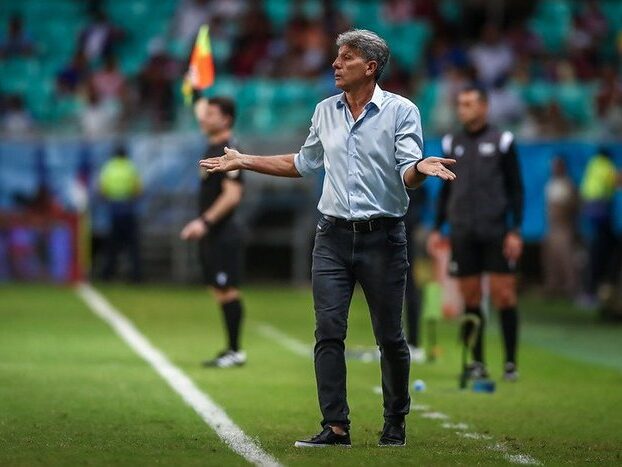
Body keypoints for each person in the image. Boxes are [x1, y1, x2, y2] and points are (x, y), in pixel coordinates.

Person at [200, 29, 455, 447]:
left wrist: (421, 168)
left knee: (390, 336)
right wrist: (244, 160)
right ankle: (335, 427)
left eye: (347, 58)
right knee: (328, 331)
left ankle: (395, 423)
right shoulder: (324, 111)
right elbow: (303, 163)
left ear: (370, 67)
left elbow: (408, 171)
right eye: (337, 57)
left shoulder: (401, 112)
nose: (335, 64)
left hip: (384, 237)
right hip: (332, 237)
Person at [429, 85, 524, 382]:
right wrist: (436, 227)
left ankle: (510, 362)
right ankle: (478, 361)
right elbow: (445, 191)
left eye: (469, 103)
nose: (463, 109)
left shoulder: (503, 141)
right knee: (470, 298)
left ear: (484, 107)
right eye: (460, 103)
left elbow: (515, 189)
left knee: (504, 295)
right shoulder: (451, 142)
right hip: (463, 231)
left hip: (496, 230)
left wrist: (515, 230)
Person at [180, 97, 247, 369]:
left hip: (222, 233)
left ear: (226, 120)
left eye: (211, 114)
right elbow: (200, 110)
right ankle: (232, 350)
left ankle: (235, 351)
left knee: (227, 290)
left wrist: (204, 222)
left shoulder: (229, 152)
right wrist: (197, 93)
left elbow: (232, 196)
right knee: (218, 289)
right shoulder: (212, 146)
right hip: (212, 234)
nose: (203, 118)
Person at [579, 148, 619, 306]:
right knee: (604, 244)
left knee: (598, 244)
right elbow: (616, 181)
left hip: (589, 208)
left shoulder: (592, 164)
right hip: (600, 207)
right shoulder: (606, 166)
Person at [99, 145, 142, 282]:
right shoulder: (130, 167)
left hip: (114, 209)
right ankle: (135, 275)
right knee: (132, 246)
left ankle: (107, 274)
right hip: (128, 209)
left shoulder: (109, 167)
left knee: (112, 246)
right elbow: (137, 189)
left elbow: (103, 189)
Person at [542, 156, 579, 297]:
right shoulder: (550, 184)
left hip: (564, 227)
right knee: (551, 259)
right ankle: (553, 288)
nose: (555, 168)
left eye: (558, 166)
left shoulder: (568, 184)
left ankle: (571, 289)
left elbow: (574, 205)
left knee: (567, 259)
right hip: (551, 227)